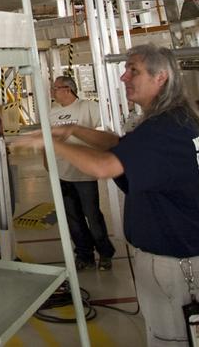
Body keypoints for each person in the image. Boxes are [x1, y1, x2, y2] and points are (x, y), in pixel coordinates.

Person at [16, 45, 199, 345]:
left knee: (174, 341)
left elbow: (103, 166)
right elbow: (119, 144)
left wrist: (48, 142)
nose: (124, 76)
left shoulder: (163, 129)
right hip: (184, 259)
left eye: (134, 70)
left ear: (161, 77)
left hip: (178, 268)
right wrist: (72, 130)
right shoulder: (173, 120)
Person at [49, 75, 116, 270]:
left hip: (84, 173)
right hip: (63, 171)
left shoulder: (88, 107)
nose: (53, 92)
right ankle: (84, 254)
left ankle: (105, 253)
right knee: (73, 218)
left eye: (56, 88)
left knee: (92, 215)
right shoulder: (51, 112)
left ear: (67, 90)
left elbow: (104, 133)